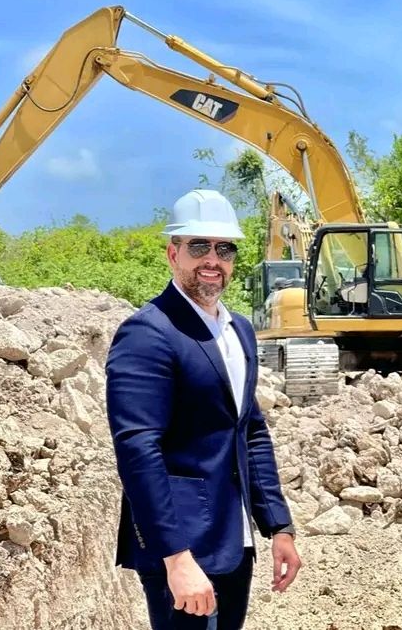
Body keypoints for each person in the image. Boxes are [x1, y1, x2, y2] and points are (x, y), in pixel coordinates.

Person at [106, 189, 301, 629]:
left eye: (224, 248)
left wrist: (278, 526)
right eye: (199, 246)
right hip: (183, 546)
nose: (213, 259)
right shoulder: (147, 333)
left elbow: (249, 430)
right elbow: (138, 450)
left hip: (234, 540)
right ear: (173, 253)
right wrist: (175, 557)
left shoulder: (239, 330)